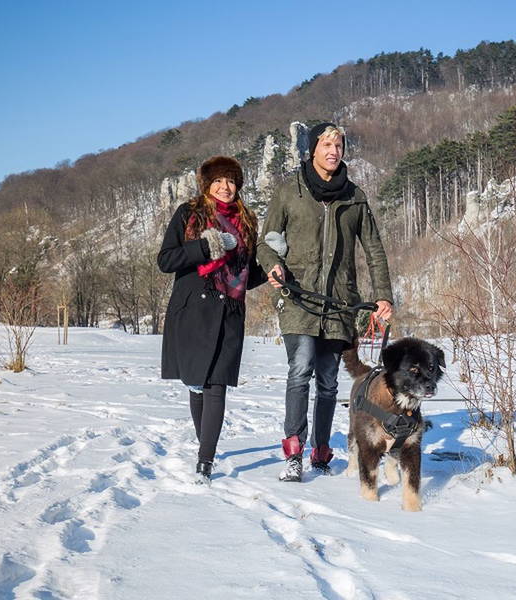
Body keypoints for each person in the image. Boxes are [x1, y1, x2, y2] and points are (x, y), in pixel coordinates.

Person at [257, 122, 394, 482]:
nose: (334, 151)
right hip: (298, 296)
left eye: (339, 145)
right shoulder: (289, 191)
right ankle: (293, 451)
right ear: (313, 149)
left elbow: (375, 250)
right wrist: (273, 266)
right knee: (300, 370)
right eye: (327, 144)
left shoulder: (355, 196)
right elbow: (265, 242)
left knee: (330, 381)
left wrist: (383, 295)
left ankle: (321, 451)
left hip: (339, 303)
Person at [158, 156, 266, 484]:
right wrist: (207, 246)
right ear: (207, 184)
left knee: (216, 384)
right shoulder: (189, 213)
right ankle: (203, 440)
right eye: (218, 181)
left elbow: (246, 274)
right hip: (193, 307)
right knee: (196, 383)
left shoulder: (247, 221)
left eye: (231, 181)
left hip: (230, 310)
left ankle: (205, 460)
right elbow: (166, 260)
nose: (225, 187)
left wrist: (275, 269)